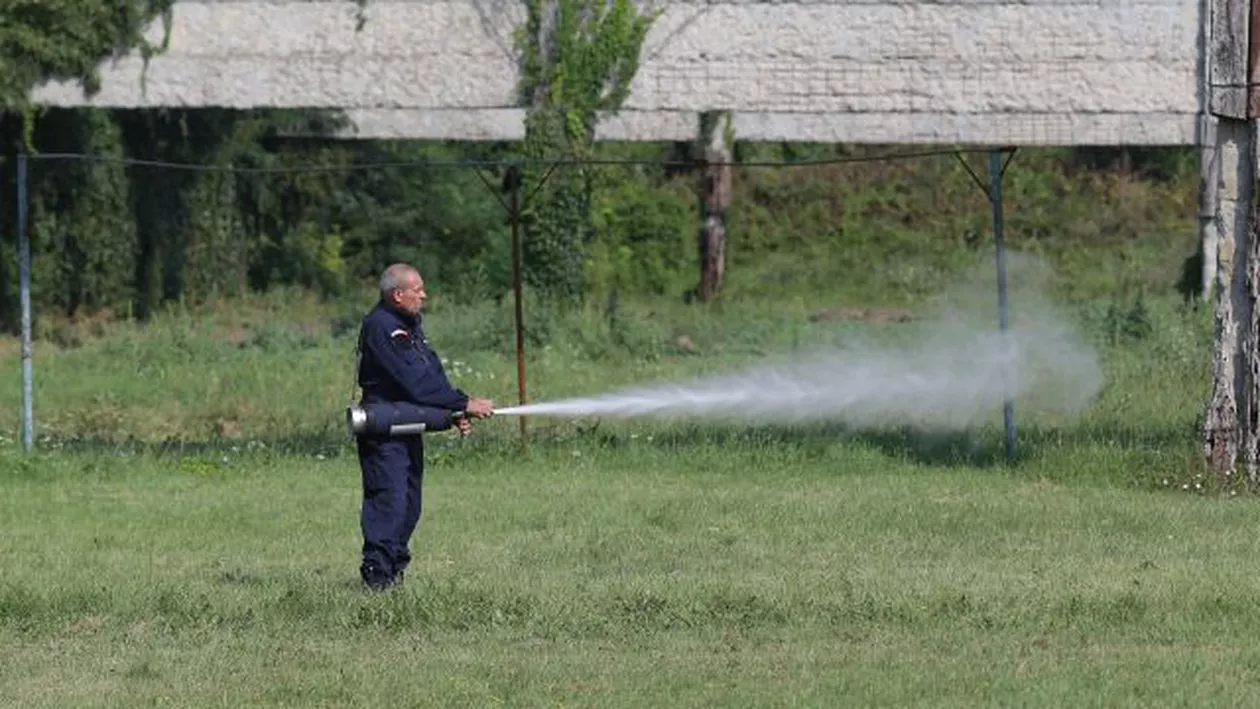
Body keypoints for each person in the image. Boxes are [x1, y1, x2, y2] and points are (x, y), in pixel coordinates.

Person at [352, 263, 494, 591]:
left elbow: (429, 375)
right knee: (390, 500)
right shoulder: (383, 327)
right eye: (418, 290)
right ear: (397, 294)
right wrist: (462, 403)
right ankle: (377, 576)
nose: (424, 296)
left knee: (410, 503)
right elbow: (413, 381)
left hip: (406, 422)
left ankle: (394, 572)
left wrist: (452, 409)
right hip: (384, 429)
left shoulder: (408, 324)